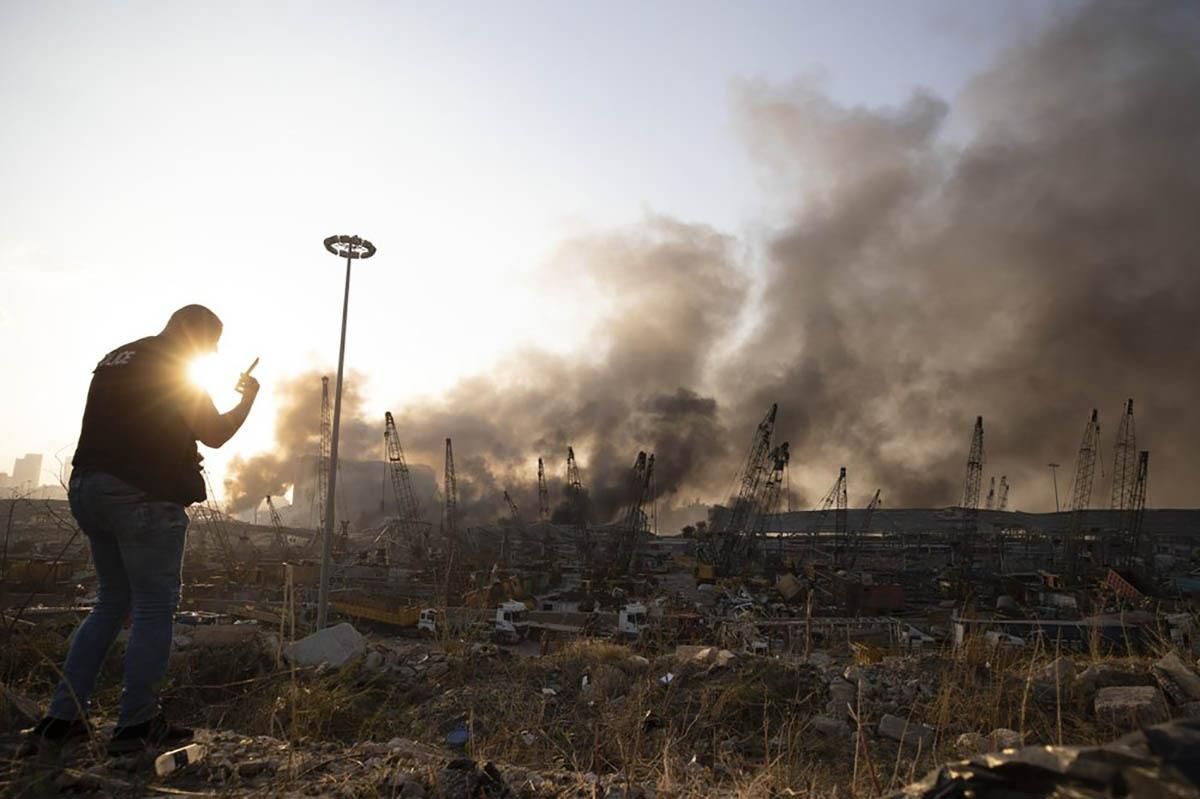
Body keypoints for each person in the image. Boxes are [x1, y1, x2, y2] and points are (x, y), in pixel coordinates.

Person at [22, 305, 259, 757]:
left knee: (111, 603)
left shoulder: (120, 356)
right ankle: (135, 725)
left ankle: (61, 721)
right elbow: (215, 433)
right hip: (142, 497)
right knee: (153, 607)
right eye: (210, 344)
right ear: (194, 336)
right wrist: (248, 398)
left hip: (88, 488)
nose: (211, 353)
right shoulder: (176, 366)